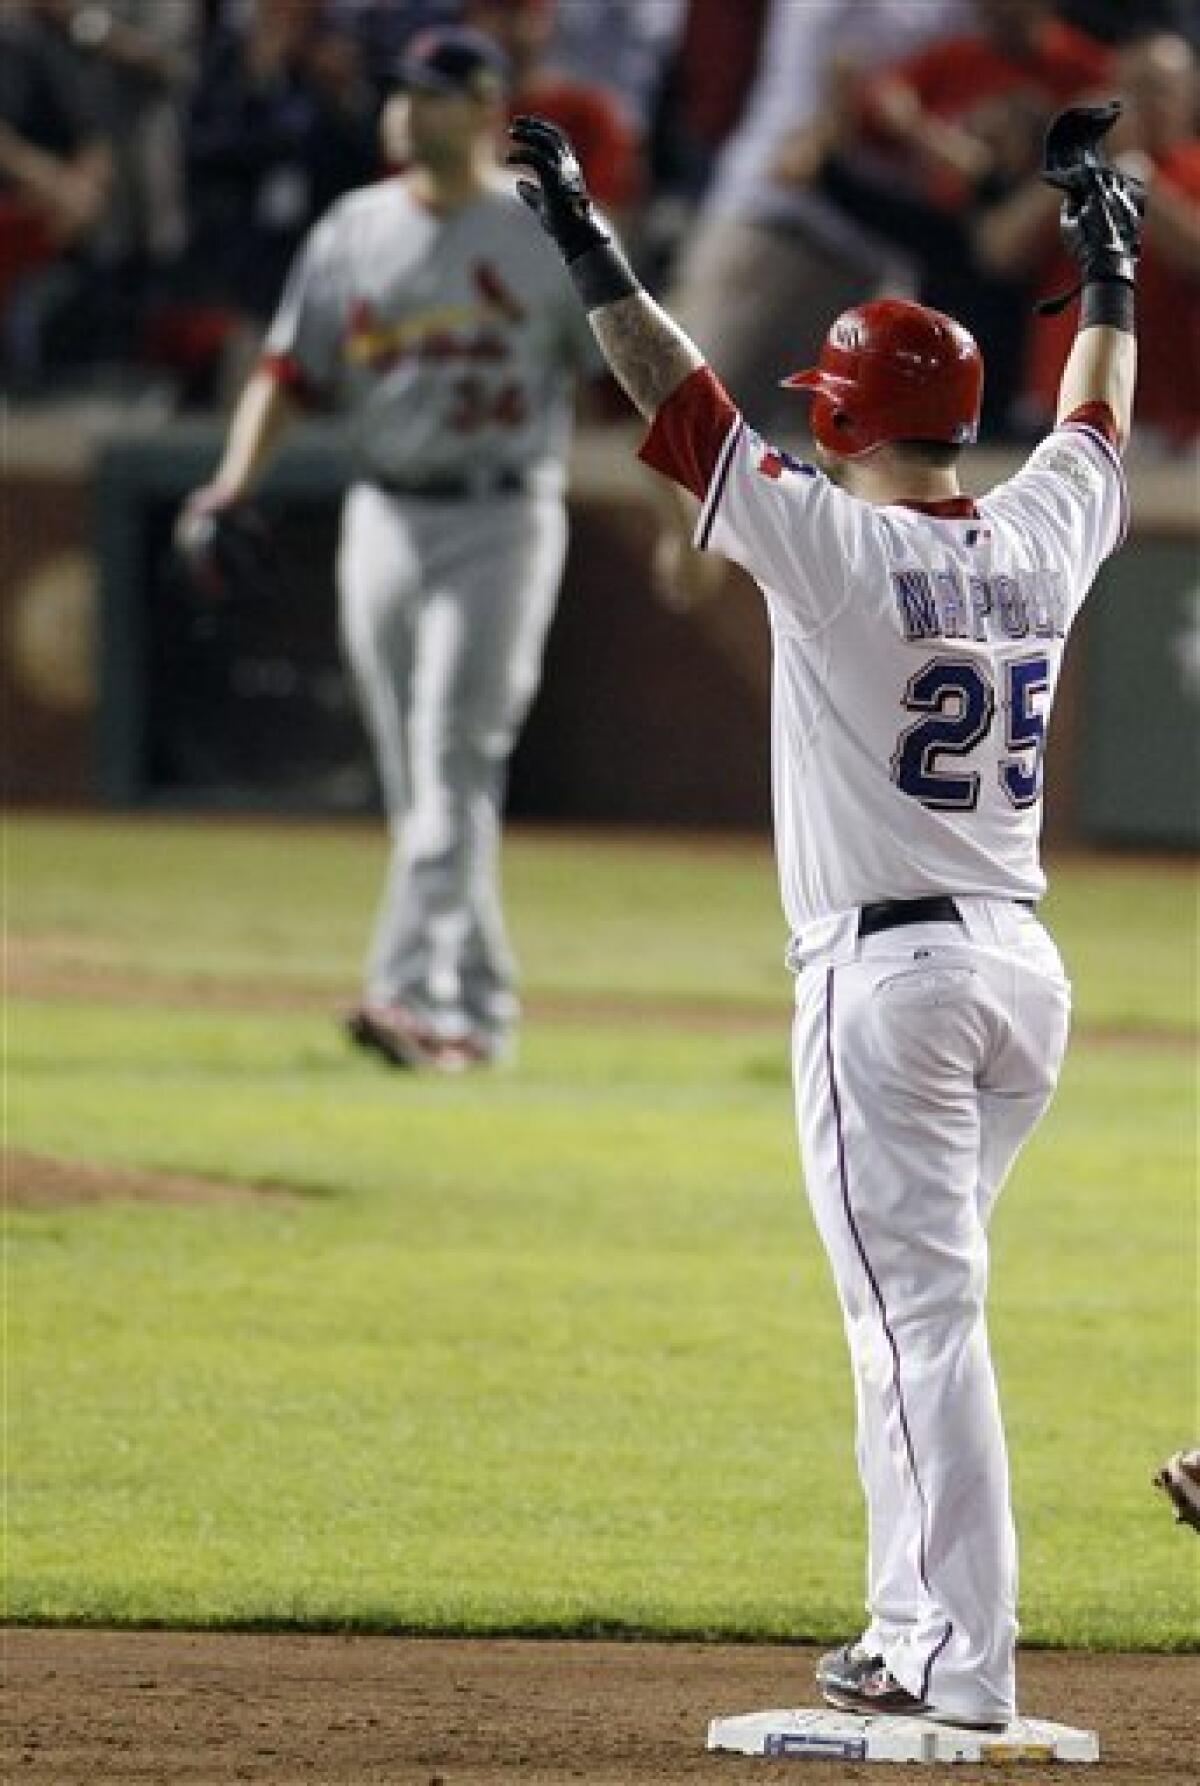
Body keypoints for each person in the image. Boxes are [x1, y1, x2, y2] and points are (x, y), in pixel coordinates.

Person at [508, 102, 1141, 1729]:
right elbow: (1098, 422)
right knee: (911, 1315)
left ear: (847, 407)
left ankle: (961, 1664)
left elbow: (684, 398)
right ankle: (906, 1627)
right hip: (1024, 974)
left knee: (920, 1321)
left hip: (896, 979)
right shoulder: (1038, 534)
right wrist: (1109, 265)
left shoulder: (839, 547)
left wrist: (586, 237)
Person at [179, 28, 597, 1073]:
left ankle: (404, 994)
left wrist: (689, 503)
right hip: (385, 512)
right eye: (399, 94)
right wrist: (233, 480)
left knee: (453, 756)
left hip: (502, 513)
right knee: (427, 785)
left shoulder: (539, 231)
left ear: (489, 105)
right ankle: (480, 1013)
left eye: (434, 93)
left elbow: (627, 357)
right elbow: (286, 369)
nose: (408, 111)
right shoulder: (356, 227)